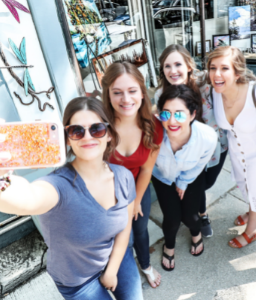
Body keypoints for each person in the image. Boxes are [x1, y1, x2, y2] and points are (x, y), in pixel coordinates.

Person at [0, 98, 143, 300]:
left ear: (109, 134)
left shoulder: (123, 175)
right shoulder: (58, 185)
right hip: (78, 280)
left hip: (117, 257)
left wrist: (112, 269)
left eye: (97, 129)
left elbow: (125, 227)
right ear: (67, 138)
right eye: (76, 131)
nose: (87, 136)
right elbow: (29, 197)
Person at [207, 46, 256, 249]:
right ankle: (251, 212)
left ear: (237, 72)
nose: (217, 74)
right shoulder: (215, 92)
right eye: (213, 68)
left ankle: (251, 232)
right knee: (248, 189)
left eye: (224, 68)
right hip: (239, 155)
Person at [154, 44, 229, 238]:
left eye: (178, 64)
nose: (173, 71)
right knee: (193, 182)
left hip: (213, 146)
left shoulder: (206, 84)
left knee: (206, 184)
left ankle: (196, 210)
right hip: (184, 150)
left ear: (189, 65)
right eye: (167, 66)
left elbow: (231, 78)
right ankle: (201, 214)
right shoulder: (161, 95)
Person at [103, 62, 163, 288]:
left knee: (140, 229)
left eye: (132, 91)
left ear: (142, 91)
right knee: (111, 234)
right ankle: (112, 267)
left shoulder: (155, 126)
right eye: (117, 92)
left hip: (138, 186)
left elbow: (147, 168)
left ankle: (145, 266)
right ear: (108, 95)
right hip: (105, 189)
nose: (126, 99)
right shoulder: (100, 125)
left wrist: (135, 200)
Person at [151, 84, 217, 271]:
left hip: (191, 175)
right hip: (162, 176)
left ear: (192, 114)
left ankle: (196, 234)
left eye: (179, 114)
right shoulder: (152, 132)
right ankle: (169, 246)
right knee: (171, 219)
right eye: (166, 113)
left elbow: (200, 163)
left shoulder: (207, 137)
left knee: (191, 216)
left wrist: (183, 181)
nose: (171, 120)